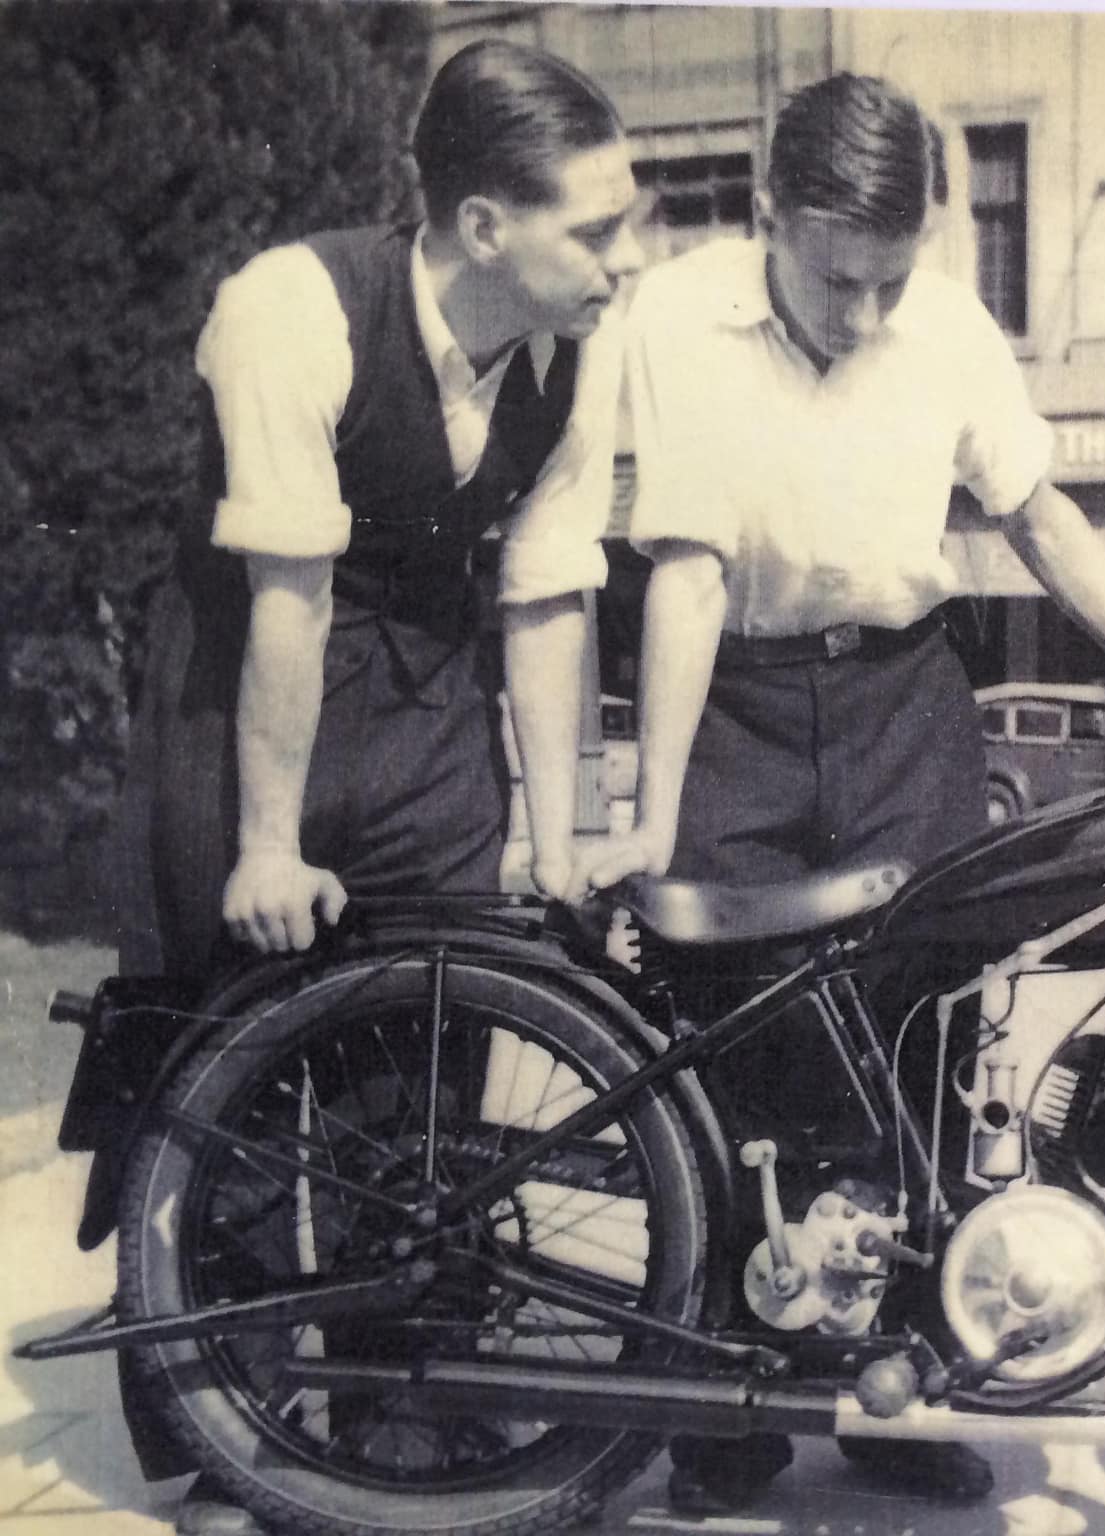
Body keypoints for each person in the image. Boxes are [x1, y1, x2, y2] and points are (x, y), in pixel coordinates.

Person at [574, 71, 1105, 1516]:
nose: (865, 314)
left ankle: (895, 1396)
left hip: (904, 701)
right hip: (730, 694)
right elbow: (681, 570)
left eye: (892, 277)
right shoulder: (674, 316)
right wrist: (650, 801)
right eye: (836, 276)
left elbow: (1035, 507)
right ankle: (722, 1412)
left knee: (919, 1053)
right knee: (728, 1058)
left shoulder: (949, 329)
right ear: (767, 217)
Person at [114, 39, 641, 1536]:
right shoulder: (290, 307)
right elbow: (286, 596)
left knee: (414, 1105)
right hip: (240, 706)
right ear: (485, 227)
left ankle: (402, 1434)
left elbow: (546, 603)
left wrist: (557, 835)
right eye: (595, 230)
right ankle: (229, 1450)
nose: (625, 260)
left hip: (419, 714)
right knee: (221, 1098)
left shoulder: (570, 359)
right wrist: (267, 848)